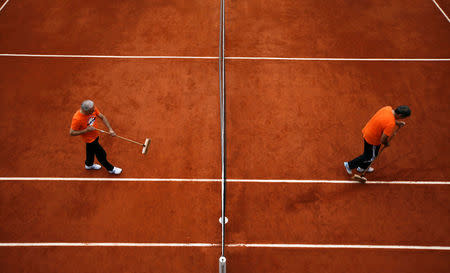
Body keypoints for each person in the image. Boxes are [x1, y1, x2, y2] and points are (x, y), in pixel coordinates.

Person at [344, 105, 411, 175]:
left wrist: (397, 123)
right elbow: (383, 139)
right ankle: (349, 165)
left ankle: (362, 167)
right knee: (370, 156)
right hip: (372, 139)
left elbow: (385, 120)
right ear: (400, 115)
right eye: (404, 117)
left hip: (368, 131)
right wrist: (386, 143)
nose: (403, 119)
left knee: (371, 154)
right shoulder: (390, 124)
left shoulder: (387, 108)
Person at [70, 100, 122, 174]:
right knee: (102, 154)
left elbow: (102, 117)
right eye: (91, 111)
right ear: (86, 110)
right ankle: (111, 169)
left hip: (95, 135)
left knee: (90, 151)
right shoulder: (77, 119)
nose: (93, 111)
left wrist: (110, 129)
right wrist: (86, 130)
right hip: (90, 140)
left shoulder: (92, 109)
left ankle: (88, 164)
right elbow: (72, 133)